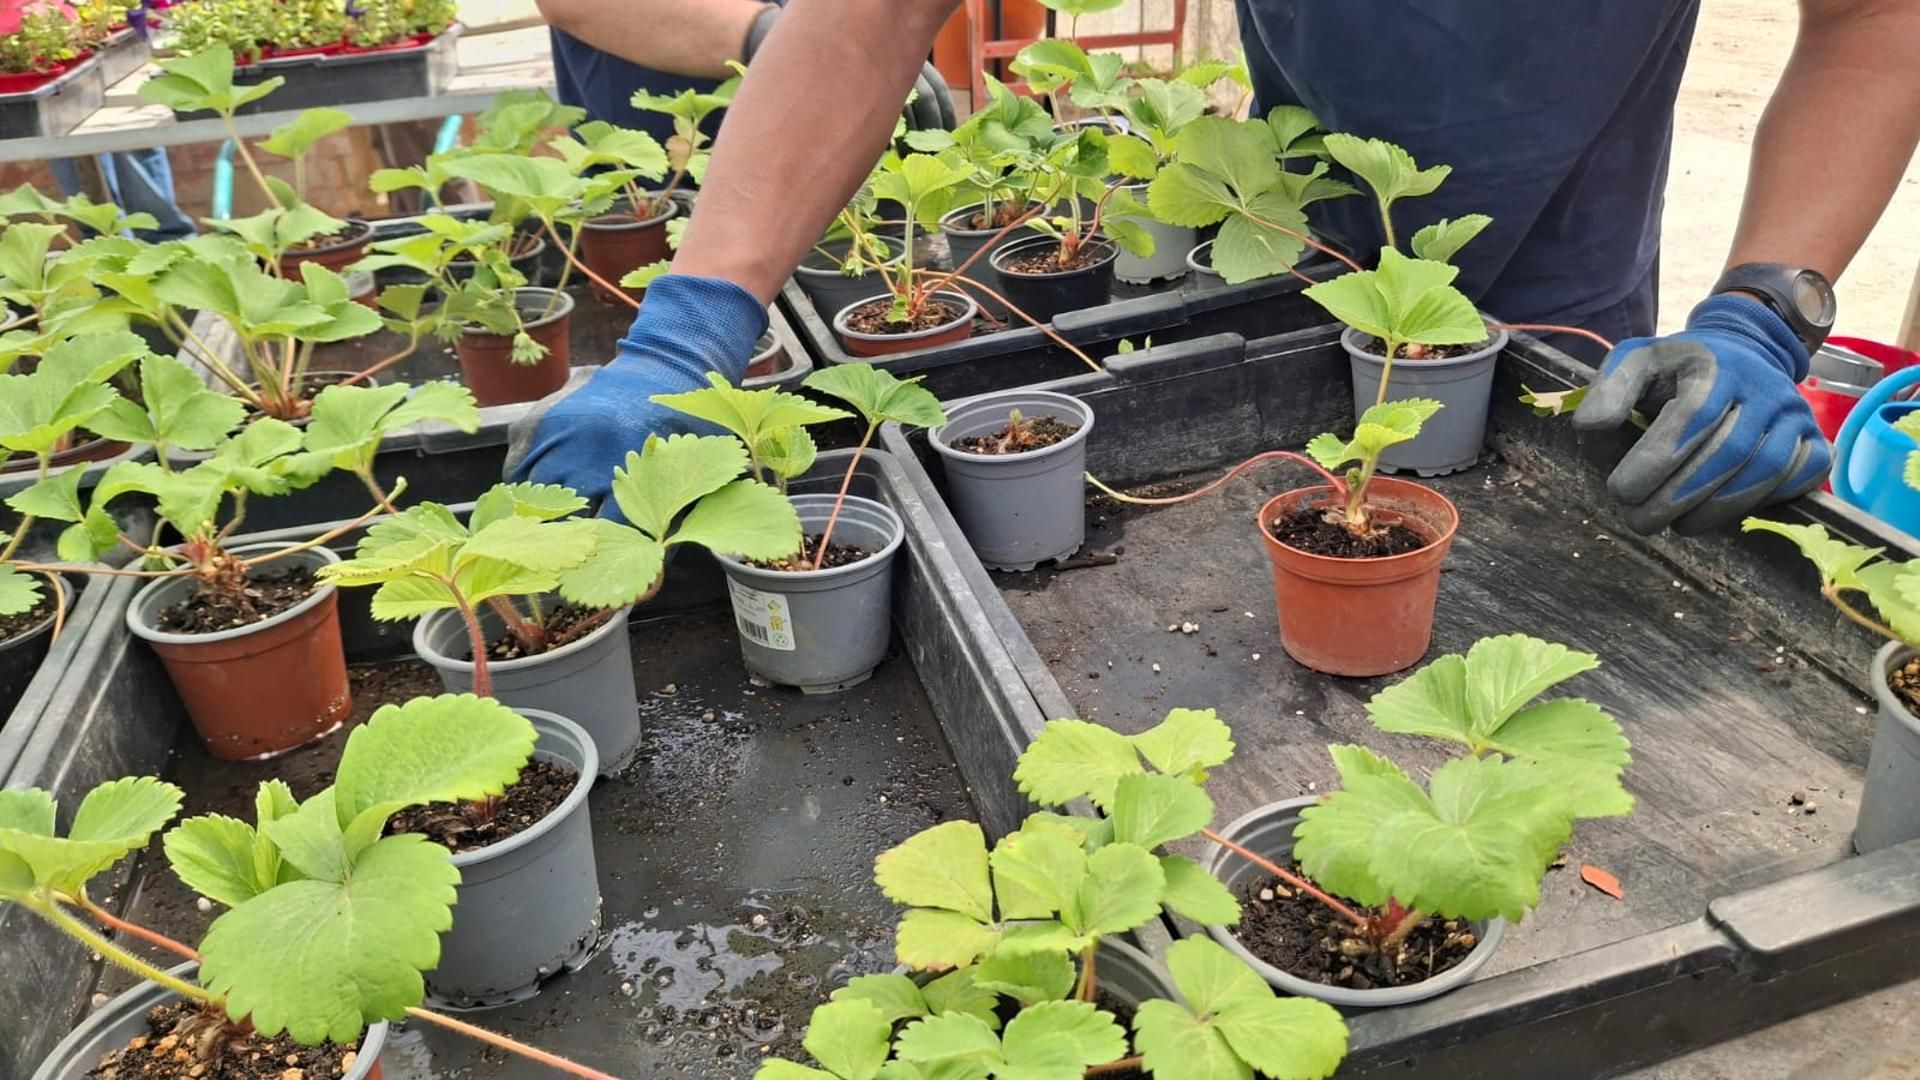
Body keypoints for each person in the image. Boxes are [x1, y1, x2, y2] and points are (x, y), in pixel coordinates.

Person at [509, 0, 1920, 536]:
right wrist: (694, 322)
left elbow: (1873, 16)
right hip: (1296, 270)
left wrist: (1765, 308)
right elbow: (871, 18)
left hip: (1571, 328)